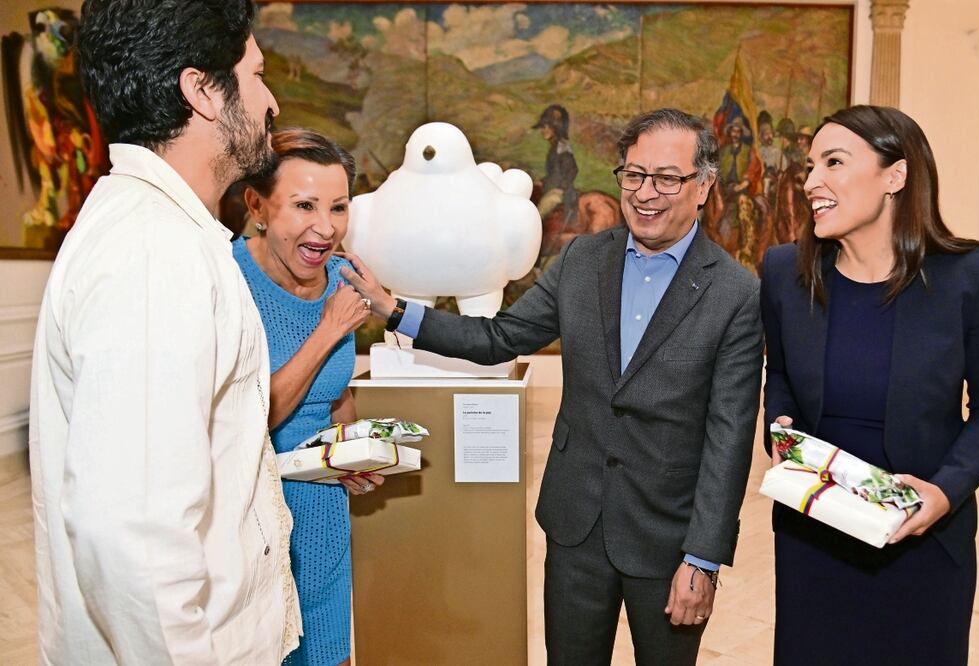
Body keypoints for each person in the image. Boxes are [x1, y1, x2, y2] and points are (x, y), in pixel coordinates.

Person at [345, 108, 763, 664]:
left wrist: (704, 558)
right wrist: (396, 311)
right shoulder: (583, 260)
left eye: (666, 178)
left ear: (704, 185)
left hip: (666, 538)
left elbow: (729, 436)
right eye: (633, 175)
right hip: (576, 527)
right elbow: (501, 336)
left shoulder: (734, 293)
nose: (645, 193)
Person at [28, 1, 302, 663]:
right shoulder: (154, 255)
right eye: (257, 74)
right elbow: (133, 538)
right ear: (202, 91)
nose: (269, 103)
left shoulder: (166, 236)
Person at [761, 105, 979, 665]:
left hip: (923, 543)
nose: (811, 182)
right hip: (816, 537)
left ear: (895, 176)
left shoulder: (969, 276)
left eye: (834, 162)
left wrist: (944, 492)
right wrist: (779, 427)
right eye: (810, 166)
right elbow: (779, 374)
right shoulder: (784, 272)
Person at [233, 127, 382, 666]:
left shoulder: (342, 278)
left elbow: (336, 395)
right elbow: (246, 415)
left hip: (321, 511)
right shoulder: (228, 281)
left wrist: (352, 453)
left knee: (329, 655)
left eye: (338, 207)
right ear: (258, 207)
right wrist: (327, 330)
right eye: (304, 205)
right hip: (252, 515)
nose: (326, 227)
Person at [534, 103, 579, 223]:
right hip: (555, 187)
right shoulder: (554, 147)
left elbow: (572, 170)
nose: (543, 130)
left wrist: (561, 188)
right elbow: (555, 172)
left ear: (556, 127)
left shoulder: (562, 148)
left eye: (546, 126)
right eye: (542, 127)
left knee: (538, 214)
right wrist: (542, 181)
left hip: (561, 191)